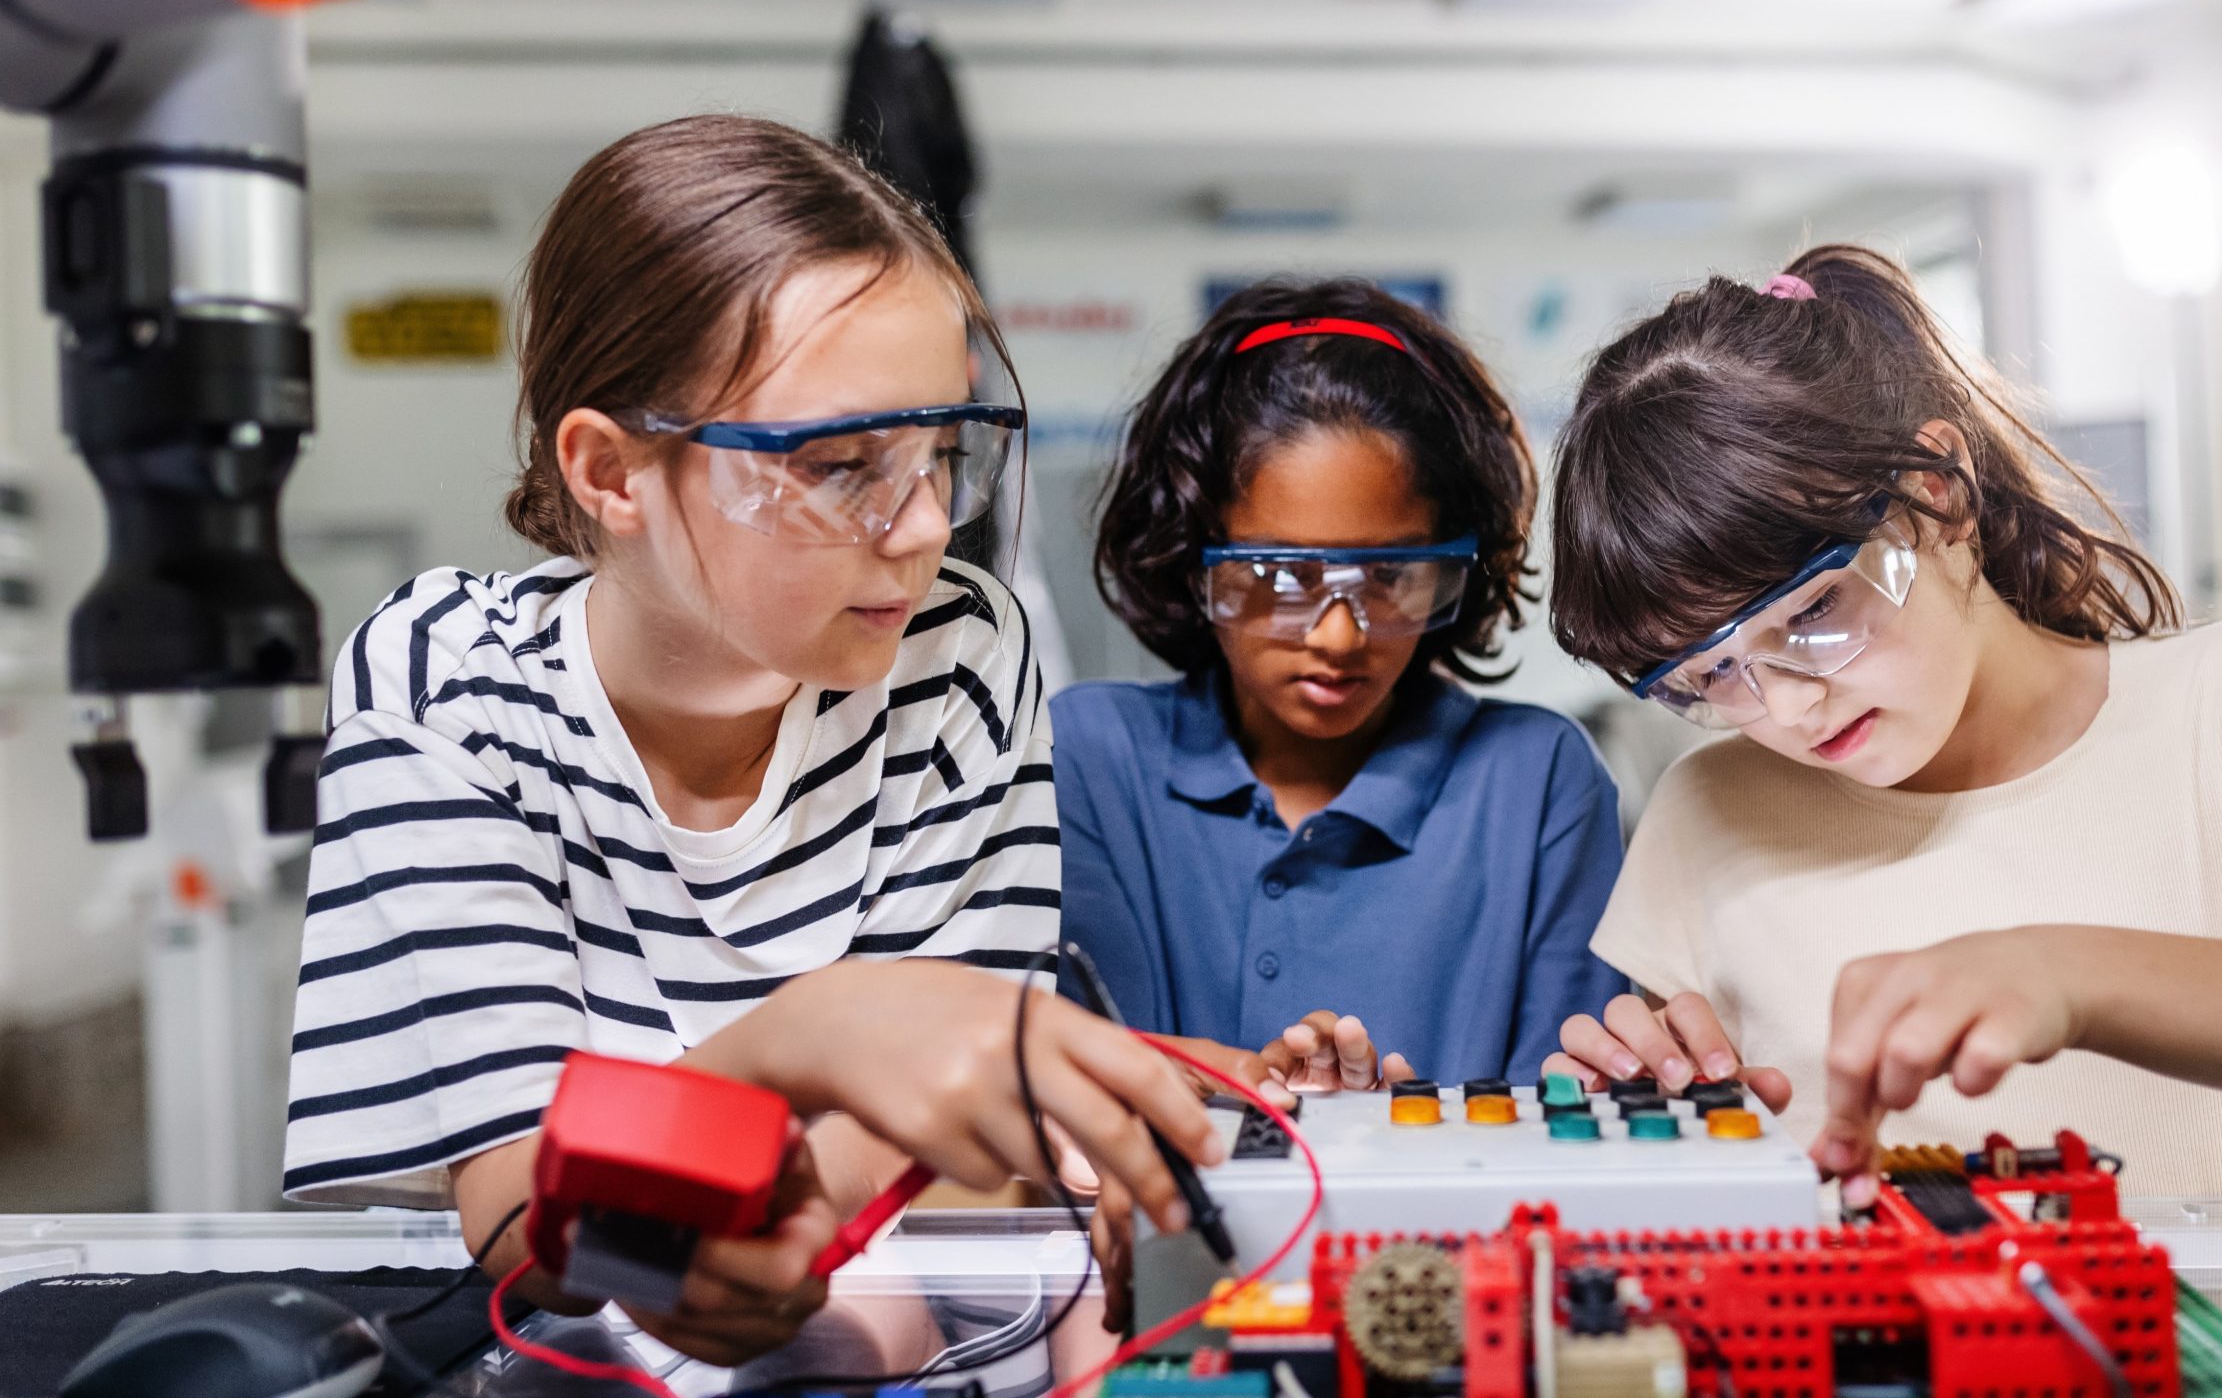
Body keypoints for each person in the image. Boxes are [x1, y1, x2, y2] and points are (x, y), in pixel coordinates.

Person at [280, 114, 1216, 1365]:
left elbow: (948, 1147)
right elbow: (524, 1224)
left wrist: (793, 1264)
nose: (924, 525)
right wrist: (811, 1032)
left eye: (943, 454)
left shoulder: (959, 651)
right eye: (841, 466)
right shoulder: (446, 681)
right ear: (612, 471)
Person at [1542, 245, 2222, 1199]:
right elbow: (1700, 1185)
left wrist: (2071, 972)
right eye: (1712, 674)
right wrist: (1635, 1119)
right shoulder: (1705, 809)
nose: (1786, 705)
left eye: (1817, 612)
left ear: (1940, 490)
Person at [1058, 280, 1626, 1092]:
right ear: (1189, 555)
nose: (1338, 637)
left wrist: (1393, 1147)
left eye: (1391, 575)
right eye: (1282, 575)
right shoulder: (1086, 756)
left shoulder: (1537, 781)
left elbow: (1570, 1123)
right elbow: (1052, 1083)